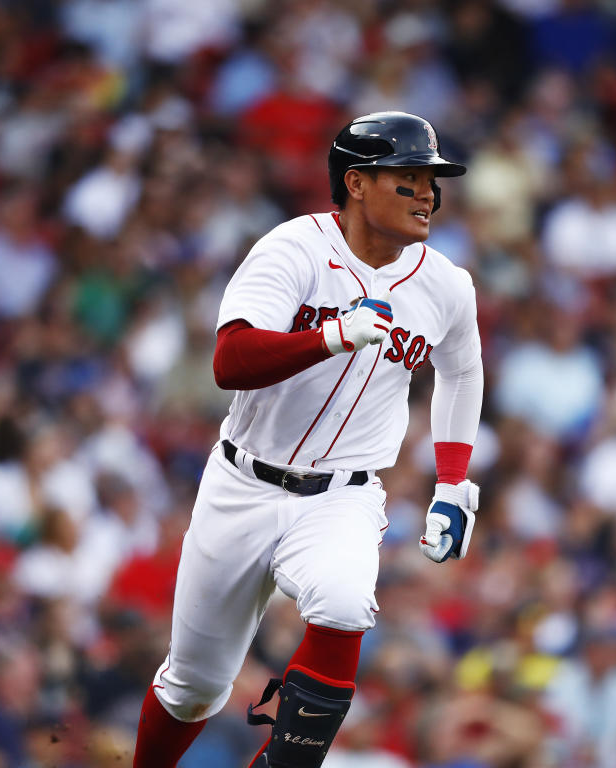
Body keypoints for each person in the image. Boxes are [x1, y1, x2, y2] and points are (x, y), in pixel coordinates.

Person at [132, 111, 483, 768]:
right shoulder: (292, 248)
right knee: (194, 685)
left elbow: (462, 371)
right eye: (408, 180)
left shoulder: (445, 285)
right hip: (242, 481)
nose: (428, 196)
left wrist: (453, 481)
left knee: (347, 605)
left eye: (432, 182)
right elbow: (229, 360)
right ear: (355, 182)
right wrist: (330, 336)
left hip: (342, 495)